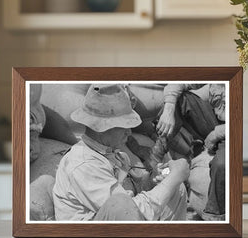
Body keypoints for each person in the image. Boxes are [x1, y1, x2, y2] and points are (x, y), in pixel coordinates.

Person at [52, 84, 189, 221]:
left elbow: (134, 194)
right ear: (102, 127)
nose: (129, 132)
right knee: (121, 202)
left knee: (176, 189)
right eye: (123, 126)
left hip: (117, 232)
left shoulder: (115, 156)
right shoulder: (83, 165)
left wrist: (153, 179)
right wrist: (174, 177)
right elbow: (127, 212)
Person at [156, 84, 226, 220]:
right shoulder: (218, 80)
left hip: (231, 132)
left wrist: (217, 134)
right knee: (181, 99)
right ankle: (160, 162)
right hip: (216, 121)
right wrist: (169, 109)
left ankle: (214, 216)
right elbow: (177, 83)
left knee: (221, 165)